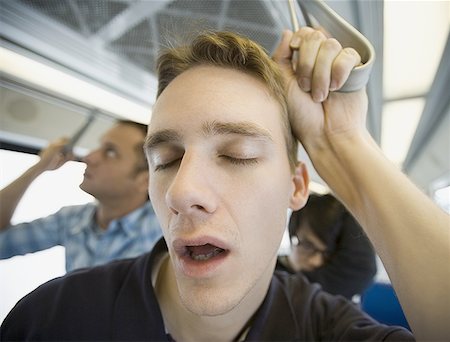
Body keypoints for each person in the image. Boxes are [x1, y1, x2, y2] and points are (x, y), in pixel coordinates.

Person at [1, 28, 449, 340]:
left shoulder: (331, 330)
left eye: (238, 155)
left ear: (296, 188)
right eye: (167, 160)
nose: (182, 191)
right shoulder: (50, 320)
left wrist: (343, 143)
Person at [0, 120, 161, 272]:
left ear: (145, 180)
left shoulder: (162, 228)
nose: (88, 157)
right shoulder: (72, 218)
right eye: (99, 147)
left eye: (110, 152)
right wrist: (39, 166)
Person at [277, 193, 377, 299]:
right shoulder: (268, 280)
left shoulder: (336, 306)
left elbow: (363, 269)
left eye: (328, 253)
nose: (316, 261)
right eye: (307, 246)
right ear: (292, 236)